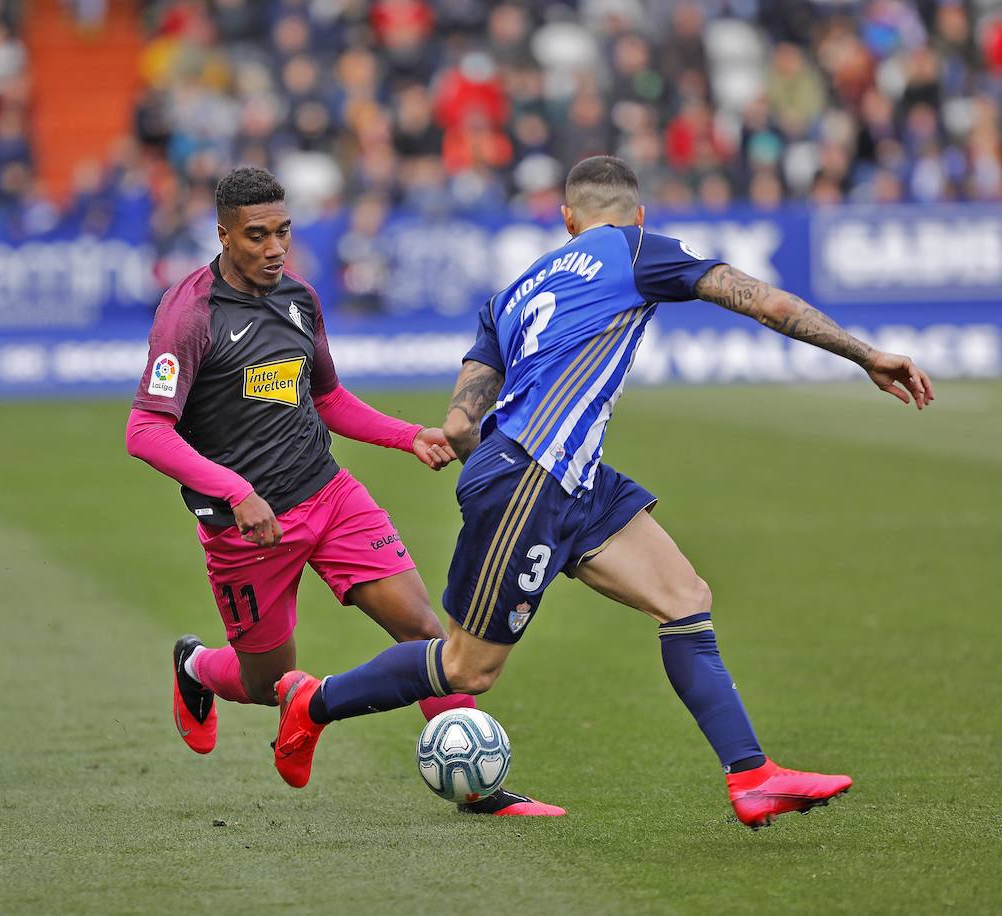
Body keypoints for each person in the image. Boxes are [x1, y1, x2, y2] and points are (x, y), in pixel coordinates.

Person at [269, 155, 935, 829]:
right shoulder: (637, 247)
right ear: (637, 215)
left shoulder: (516, 290)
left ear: (567, 221)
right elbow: (761, 298)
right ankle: (313, 703)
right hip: (531, 476)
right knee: (468, 670)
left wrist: (459, 436)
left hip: (565, 476)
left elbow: (466, 409)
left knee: (684, 598)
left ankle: (752, 775)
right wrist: (864, 353)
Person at [126, 166, 560, 816]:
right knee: (269, 685)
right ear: (222, 234)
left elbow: (326, 398)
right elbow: (145, 429)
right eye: (256, 236)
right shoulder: (190, 316)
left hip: (330, 496)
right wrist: (236, 490)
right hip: (248, 531)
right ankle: (194, 667)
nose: (275, 248)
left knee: (422, 631)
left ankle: (480, 790)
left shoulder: (299, 299)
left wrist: (406, 435)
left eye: (283, 232)